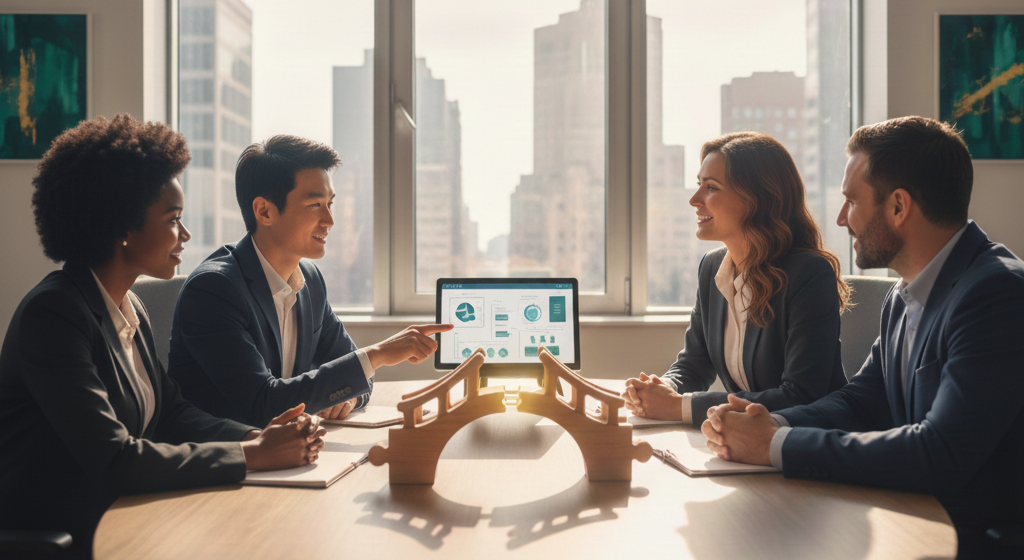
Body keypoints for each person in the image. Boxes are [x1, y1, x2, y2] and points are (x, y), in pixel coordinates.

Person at [0, 115, 326, 559]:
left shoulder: (129, 306)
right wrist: (252, 456)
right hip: (71, 528)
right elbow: (114, 459)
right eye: (173, 219)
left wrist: (258, 435)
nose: (186, 235)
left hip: (127, 510)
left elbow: (170, 414)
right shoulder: (54, 315)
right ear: (122, 230)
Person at [700, 116, 1024, 559]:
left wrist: (775, 445)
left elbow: (941, 451)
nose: (839, 218)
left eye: (851, 201)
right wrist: (771, 423)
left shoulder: (995, 293)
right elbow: (861, 400)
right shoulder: (904, 294)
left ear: (898, 207)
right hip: (911, 512)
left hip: (968, 537)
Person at [168, 135, 452, 428]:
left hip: (290, 454)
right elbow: (263, 405)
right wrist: (377, 354)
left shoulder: (310, 281)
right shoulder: (214, 290)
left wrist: (347, 398)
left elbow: (356, 378)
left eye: (330, 203)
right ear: (264, 211)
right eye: (315, 204)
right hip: (228, 464)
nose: (329, 219)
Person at [622, 132, 849, 426]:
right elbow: (694, 364)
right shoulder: (712, 268)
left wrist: (679, 407)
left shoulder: (810, 274)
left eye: (711, 188)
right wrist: (665, 388)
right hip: (744, 442)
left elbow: (800, 395)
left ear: (757, 199)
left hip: (804, 445)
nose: (694, 200)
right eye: (698, 185)